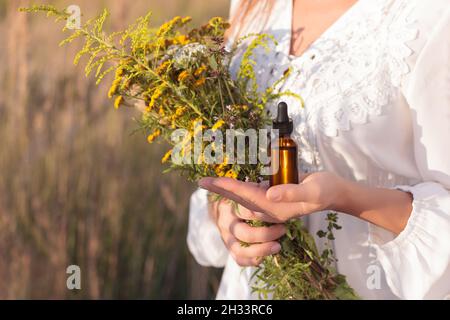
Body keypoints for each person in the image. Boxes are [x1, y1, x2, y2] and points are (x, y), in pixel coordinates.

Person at [187, 0, 450, 299]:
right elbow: (230, 158)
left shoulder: (432, 16)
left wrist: (343, 197)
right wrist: (225, 212)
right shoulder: (251, 6)